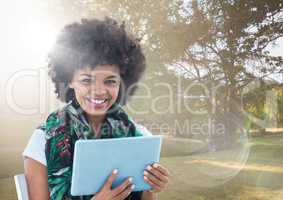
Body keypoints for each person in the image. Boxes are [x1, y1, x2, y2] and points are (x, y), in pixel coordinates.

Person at [22, 17, 170, 200]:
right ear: (70, 80)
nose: (99, 91)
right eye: (86, 80)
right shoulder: (42, 141)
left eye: (110, 81)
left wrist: (151, 187)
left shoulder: (140, 136)